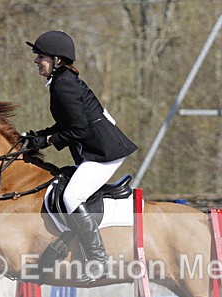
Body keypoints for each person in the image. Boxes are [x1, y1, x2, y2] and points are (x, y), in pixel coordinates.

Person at [24, 30, 137, 282]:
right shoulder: (62, 81)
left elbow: (78, 130)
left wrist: (49, 140)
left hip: (104, 153)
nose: (36, 61)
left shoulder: (63, 85)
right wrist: (40, 136)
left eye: (41, 56)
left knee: (71, 195)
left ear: (57, 60)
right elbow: (68, 123)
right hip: (97, 149)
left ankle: (99, 260)